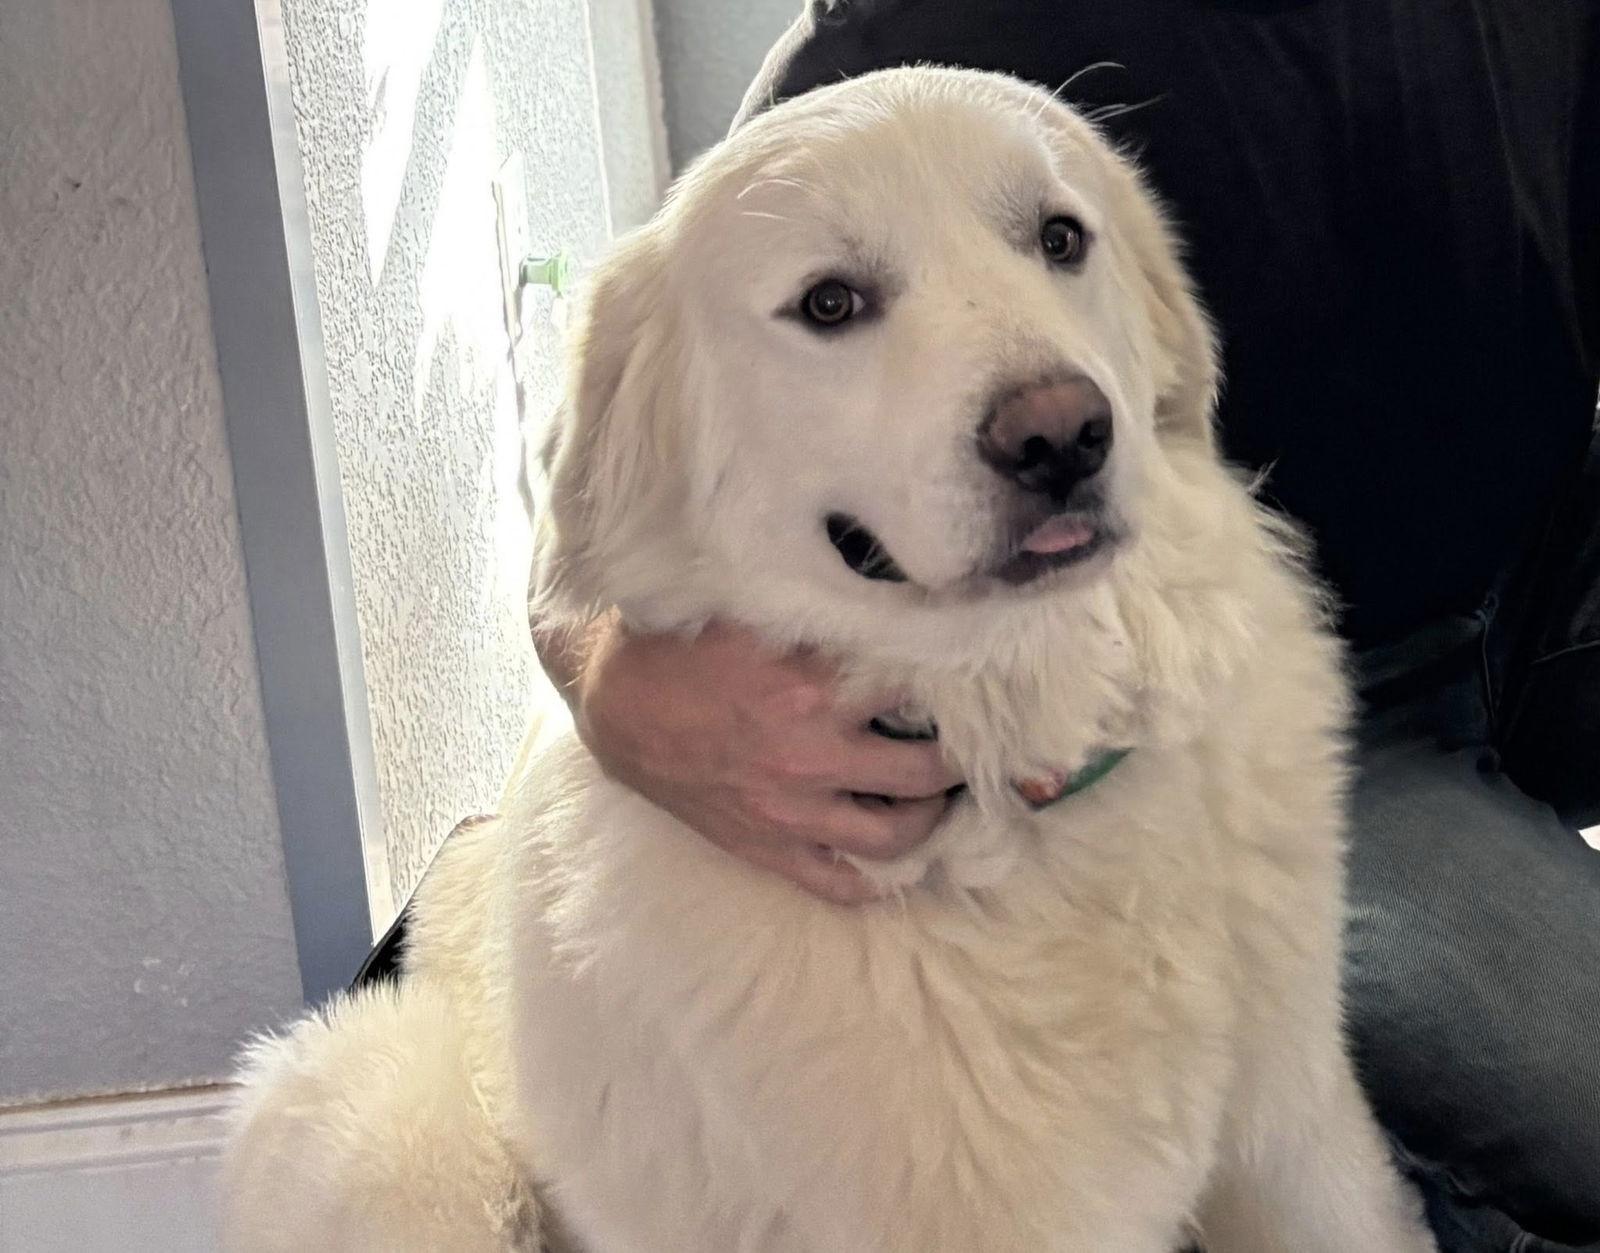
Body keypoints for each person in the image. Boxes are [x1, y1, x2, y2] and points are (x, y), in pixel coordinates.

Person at [534, 3, 1600, 1248]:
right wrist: (608, 676)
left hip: (1542, 584)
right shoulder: (890, 53)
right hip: (1228, 730)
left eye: (1050, 238)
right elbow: (634, 466)